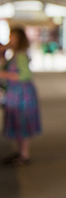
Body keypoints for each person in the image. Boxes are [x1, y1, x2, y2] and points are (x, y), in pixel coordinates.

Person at [0, 27, 42, 166]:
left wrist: (5, 75)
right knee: (19, 124)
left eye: (13, 37)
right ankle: (20, 153)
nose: (10, 39)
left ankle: (24, 154)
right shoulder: (15, 54)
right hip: (17, 93)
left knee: (21, 123)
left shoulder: (20, 55)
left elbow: (25, 75)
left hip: (22, 95)